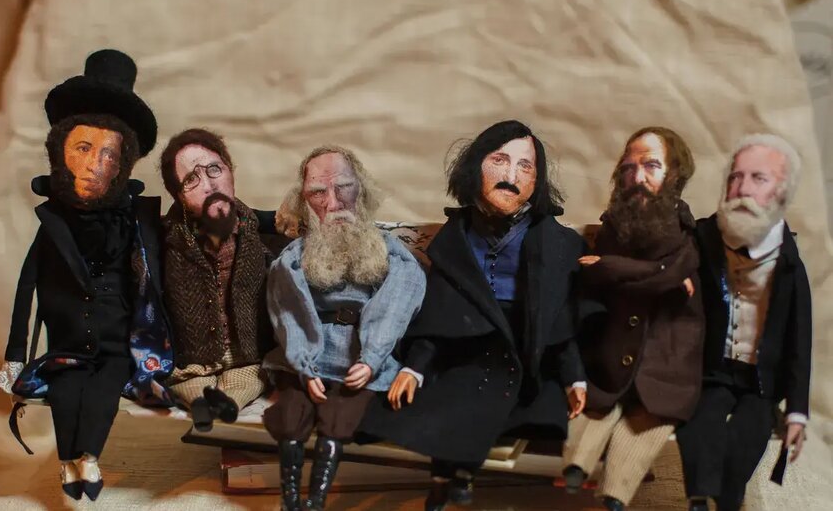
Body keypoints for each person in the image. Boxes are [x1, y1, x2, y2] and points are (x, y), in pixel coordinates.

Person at [357, 119, 588, 511]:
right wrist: (415, 368)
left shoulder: (558, 242)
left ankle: (460, 474)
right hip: (464, 347)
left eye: (525, 166)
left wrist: (574, 377)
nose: (511, 175)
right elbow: (439, 313)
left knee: (496, 404)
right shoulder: (455, 238)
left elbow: (560, 321)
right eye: (499, 160)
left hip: (524, 350)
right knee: (442, 403)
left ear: (537, 182)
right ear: (475, 166)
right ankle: (442, 479)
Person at [0, 49, 171, 501]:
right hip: (68, 342)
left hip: (118, 342)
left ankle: (86, 457)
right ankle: (68, 462)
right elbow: (26, 287)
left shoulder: (135, 221)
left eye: (110, 155)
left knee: (106, 389)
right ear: (61, 153)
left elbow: (165, 271)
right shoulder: (53, 222)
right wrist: (15, 356)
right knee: (66, 389)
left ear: (123, 164)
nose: (95, 165)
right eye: (84, 149)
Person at [263, 145, 426, 510]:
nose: (334, 202)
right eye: (318, 193)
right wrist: (303, 363)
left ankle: (317, 500)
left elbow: (397, 303)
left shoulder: (389, 253)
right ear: (305, 202)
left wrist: (371, 358)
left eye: (344, 187)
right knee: (291, 415)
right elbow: (287, 310)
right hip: (306, 353)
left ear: (361, 190)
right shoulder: (294, 258)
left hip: (361, 355)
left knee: (340, 417)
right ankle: (290, 499)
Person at [561, 127, 704, 511]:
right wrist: (651, 276)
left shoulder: (685, 230)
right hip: (609, 355)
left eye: (651, 166)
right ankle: (576, 467)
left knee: (646, 424)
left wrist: (610, 266)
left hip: (665, 357)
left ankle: (616, 493)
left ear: (674, 174)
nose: (637, 177)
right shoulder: (615, 225)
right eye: (628, 168)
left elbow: (670, 273)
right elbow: (594, 278)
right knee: (593, 413)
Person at [677, 134, 811, 511]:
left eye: (758, 178)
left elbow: (800, 341)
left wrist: (797, 411)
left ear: (782, 193)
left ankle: (728, 500)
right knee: (701, 424)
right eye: (735, 177)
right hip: (712, 371)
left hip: (761, 381)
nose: (742, 189)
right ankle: (698, 498)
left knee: (746, 436)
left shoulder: (789, 264)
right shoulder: (703, 238)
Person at [159, 128, 277, 431]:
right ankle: (199, 402)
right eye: (191, 179)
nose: (209, 184)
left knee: (252, 378)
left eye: (215, 169)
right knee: (187, 380)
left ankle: (228, 403)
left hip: (245, 352)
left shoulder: (252, 229)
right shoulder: (168, 238)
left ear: (230, 171)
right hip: (194, 355)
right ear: (179, 196)